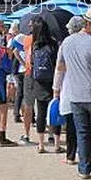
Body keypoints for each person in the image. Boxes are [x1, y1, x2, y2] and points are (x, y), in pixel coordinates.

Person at [54, 9, 91, 179]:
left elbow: (60, 67)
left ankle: (84, 168)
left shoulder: (66, 42)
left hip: (75, 95)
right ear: (90, 25)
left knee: (82, 133)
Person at [31, 19, 62, 153]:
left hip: (38, 82)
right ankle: (56, 144)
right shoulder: (54, 45)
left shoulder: (35, 46)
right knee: (55, 112)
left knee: (41, 113)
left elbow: (31, 63)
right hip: (52, 81)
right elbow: (58, 64)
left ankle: (41, 144)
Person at [58, 15, 85, 165]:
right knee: (86, 126)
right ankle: (87, 155)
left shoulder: (65, 44)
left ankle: (70, 155)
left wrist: (56, 88)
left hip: (69, 86)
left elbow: (59, 68)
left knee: (71, 125)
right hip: (87, 88)